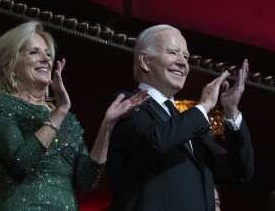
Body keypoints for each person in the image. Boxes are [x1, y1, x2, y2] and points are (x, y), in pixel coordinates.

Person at [0, 21, 148, 211]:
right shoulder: (0, 104)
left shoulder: (66, 118)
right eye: (34, 52)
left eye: (48, 53)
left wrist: (107, 125)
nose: (46, 59)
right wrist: (59, 112)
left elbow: (88, 180)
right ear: (11, 66)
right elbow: (22, 162)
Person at [107, 24, 254, 211]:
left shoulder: (188, 124)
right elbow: (155, 141)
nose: (183, 62)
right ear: (145, 61)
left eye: (185, 56)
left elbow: (239, 171)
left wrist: (231, 111)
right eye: (173, 53)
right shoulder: (126, 103)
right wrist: (203, 106)